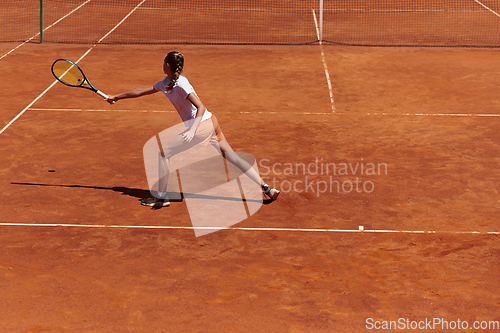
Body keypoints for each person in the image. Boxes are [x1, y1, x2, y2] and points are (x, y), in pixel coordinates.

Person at [106, 51, 280, 207]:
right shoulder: (166, 83)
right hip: (212, 123)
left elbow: (200, 106)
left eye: (163, 62)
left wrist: (192, 130)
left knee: (164, 154)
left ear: (167, 65)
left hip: (200, 125)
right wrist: (117, 97)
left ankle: (162, 197)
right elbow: (141, 91)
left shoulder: (181, 84)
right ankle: (266, 188)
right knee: (232, 157)